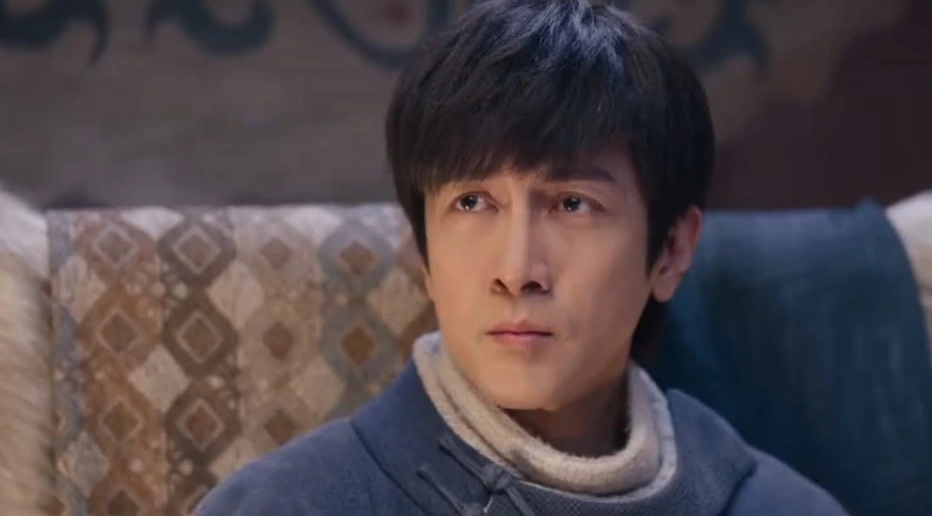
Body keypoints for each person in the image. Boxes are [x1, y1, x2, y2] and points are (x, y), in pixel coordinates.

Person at [195, 1, 850, 514]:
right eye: (473, 202)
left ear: (672, 250)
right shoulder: (284, 505)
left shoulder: (785, 508)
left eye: (572, 204)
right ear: (423, 251)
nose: (516, 272)